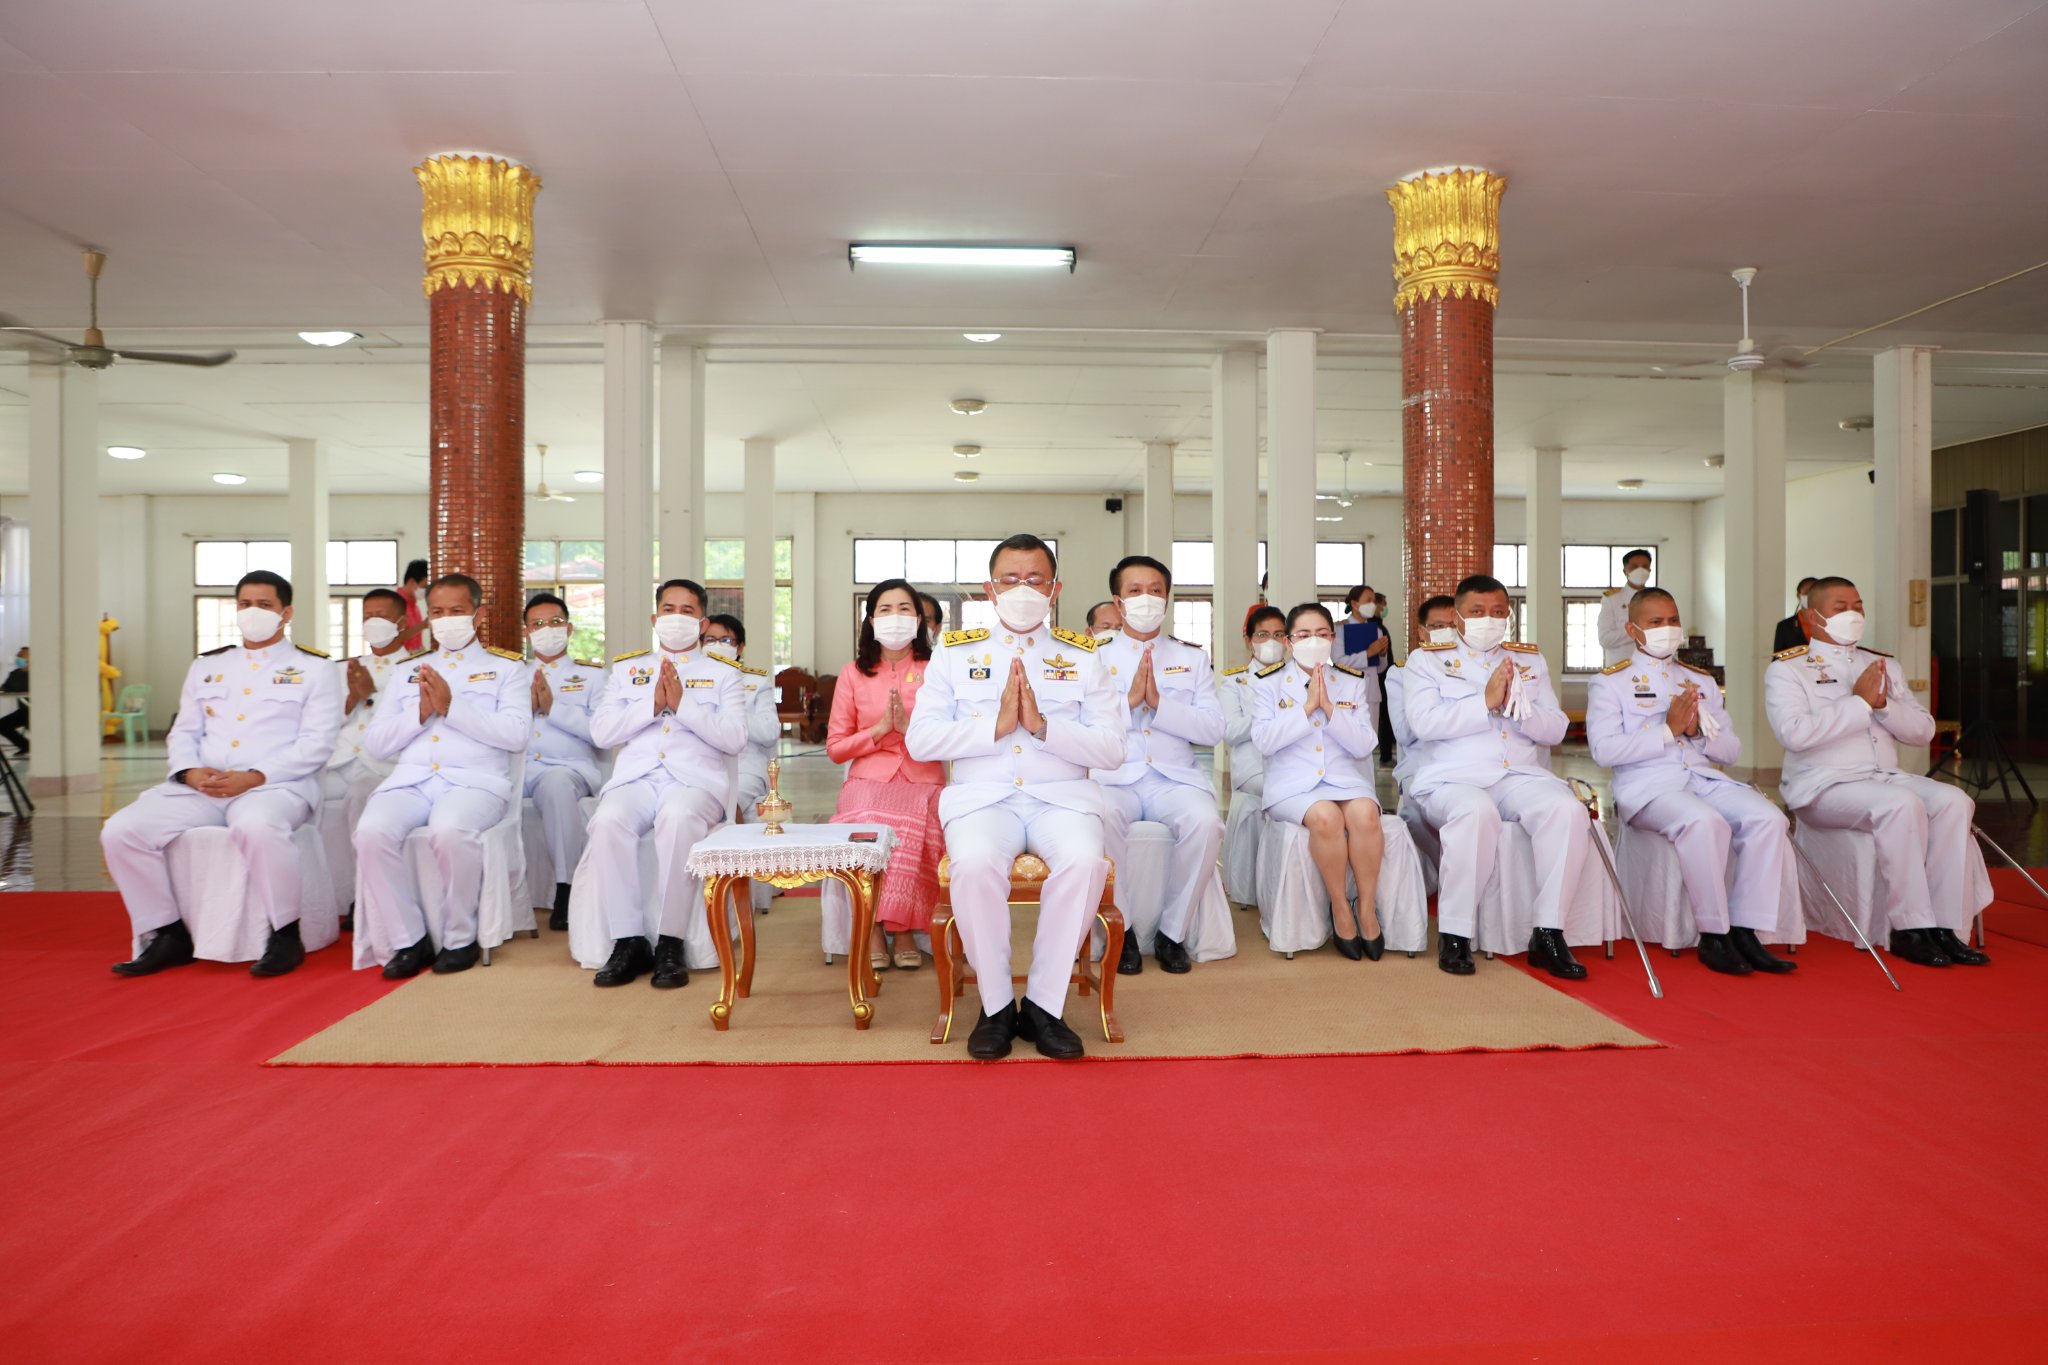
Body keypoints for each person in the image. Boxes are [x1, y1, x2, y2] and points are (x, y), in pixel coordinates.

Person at [905, 534, 1125, 1060]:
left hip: (1063, 798)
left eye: (1035, 580)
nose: (1022, 589)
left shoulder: (1084, 654)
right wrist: (996, 726)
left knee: (1084, 862)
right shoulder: (956, 655)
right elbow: (921, 739)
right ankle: (997, 1005)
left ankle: (1046, 1007)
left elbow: (1114, 748)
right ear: (989, 588)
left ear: (1055, 589)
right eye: (1010, 579)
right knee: (975, 864)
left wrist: (1046, 727)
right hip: (983, 800)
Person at [104, 571, 344, 978]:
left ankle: (285, 934)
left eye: (264, 605)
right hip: (204, 786)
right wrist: (189, 772)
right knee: (120, 831)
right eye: (245, 604)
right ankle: (167, 933)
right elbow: (185, 731)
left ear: (286, 613)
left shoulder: (314, 668)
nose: (253, 613)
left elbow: (317, 744)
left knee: (257, 826)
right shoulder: (208, 665)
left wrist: (254, 777)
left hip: (276, 786)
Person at [1766, 576, 1991, 967]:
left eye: (1858, 605)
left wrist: (1884, 705)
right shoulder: (1790, 670)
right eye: (1840, 608)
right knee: (1901, 805)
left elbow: (1922, 731)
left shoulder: (1883, 664)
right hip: (1823, 786)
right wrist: (1859, 704)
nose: (1853, 614)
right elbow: (1795, 734)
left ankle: (1946, 927)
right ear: (1811, 618)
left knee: (1955, 801)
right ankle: (1909, 927)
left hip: (1884, 779)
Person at [1587, 588, 1796, 975]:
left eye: (1672, 620)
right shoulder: (1611, 683)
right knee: (1704, 823)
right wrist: (1668, 731)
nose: (1667, 629)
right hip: (1649, 788)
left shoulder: (1698, 680)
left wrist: (1699, 732)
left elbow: (1730, 750)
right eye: (1655, 622)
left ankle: (1746, 930)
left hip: (1703, 779)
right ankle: (1714, 935)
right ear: (1633, 630)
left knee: (1770, 819)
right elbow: (1605, 751)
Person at [1402, 573, 1592, 980]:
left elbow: (1556, 729)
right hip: (1454, 778)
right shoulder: (1428, 659)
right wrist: (1484, 702)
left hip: (1518, 775)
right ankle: (1455, 934)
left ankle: (1548, 931)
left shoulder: (1528, 659)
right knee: (1475, 813)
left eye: (1498, 612)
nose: (1489, 619)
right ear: (1456, 616)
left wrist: (1520, 709)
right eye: (1477, 611)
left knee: (1568, 811)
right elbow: (1423, 724)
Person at [354, 574, 531, 979]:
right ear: (427, 617)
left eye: (457, 611)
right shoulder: (408, 670)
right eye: (437, 612)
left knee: (449, 829)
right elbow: (378, 744)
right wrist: (420, 713)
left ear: (478, 614)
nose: (446, 619)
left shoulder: (505, 669)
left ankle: (459, 937)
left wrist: (452, 707)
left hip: (475, 783)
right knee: (370, 832)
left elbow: (516, 734)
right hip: (412, 782)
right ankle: (408, 939)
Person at [576, 579, 748, 989]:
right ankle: (628, 939)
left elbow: (735, 738)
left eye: (687, 611)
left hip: (695, 782)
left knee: (678, 816)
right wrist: (652, 705)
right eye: (668, 609)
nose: (677, 617)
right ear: (655, 619)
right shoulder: (627, 670)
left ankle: (671, 942)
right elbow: (602, 733)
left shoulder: (723, 674)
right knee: (607, 820)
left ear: (702, 622)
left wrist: (683, 704)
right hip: (637, 778)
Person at [1092, 555, 1227, 975]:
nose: (1145, 599)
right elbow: (1077, 725)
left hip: (1173, 777)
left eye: (1155, 590)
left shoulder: (1192, 657)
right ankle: (1124, 930)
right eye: (1134, 591)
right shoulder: (1093, 655)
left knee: (1207, 824)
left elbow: (1211, 728)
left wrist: (1159, 705)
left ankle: (1173, 931)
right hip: (1114, 775)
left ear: (1167, 599)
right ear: (1118, 602)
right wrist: (1129, 702)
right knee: (1099, 818)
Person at [825, 578, 945, 969]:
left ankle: (905, 927)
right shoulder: (853, 673)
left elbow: (953, 738)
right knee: (866, 822)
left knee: (915, 826)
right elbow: (836, 748)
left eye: (905, 609)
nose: (896, 618)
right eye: (885, 610)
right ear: (871, 620)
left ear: (919, 618)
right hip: (867, 779)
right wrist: (878, 732)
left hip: (922, 777)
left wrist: (910, 730)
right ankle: (875, 926)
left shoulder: (938, 669)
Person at [1253, 604, 1384, 959]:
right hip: (1292, 785)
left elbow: (1363, 745)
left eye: (1322, 634)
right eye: (1304, 635)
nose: (1314, 641)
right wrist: (1306, 708)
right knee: (1326, 817)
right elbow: (1264, 741)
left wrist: (1330, 709)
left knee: (1366, 816)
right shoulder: (1267, 682)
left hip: (1343, 778)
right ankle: (1341, 908)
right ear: (1290, 642)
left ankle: (1367, 909)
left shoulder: (1351, 680)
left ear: (1332, 637)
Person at [322, 589, 412, 926]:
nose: (372, 623)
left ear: (401, 623)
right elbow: (323, 722)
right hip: (339, 761)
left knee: (362, 793)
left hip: (384, 764)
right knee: (295, 793)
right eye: (367, 617)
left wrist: (369, 696)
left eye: (381, 616)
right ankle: (310, 896)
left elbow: (412, 722)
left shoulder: (416, 668)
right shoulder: (342, 668)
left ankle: (365, 896)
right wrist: (350, 700)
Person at [522, 592, 606, 931]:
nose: (547, 630)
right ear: (526, 632)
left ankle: (566, 888)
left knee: (556, 785)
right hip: (519, 767)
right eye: (537, 624)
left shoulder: (594, 676)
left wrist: (554, 709)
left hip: (570, 768)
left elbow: (602, 735)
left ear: (569, 628)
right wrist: (525, 710)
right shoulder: (513, 675)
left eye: (555, 622)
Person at [702, 613, 780, 912]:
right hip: (703, 763)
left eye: (726, 640)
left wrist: (731, 707)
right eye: (710, 640)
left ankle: (736, 886)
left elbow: (769, 731)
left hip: (745, 765)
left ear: (740, 646)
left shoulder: (755, 682)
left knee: (731, 793)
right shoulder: (690, 680)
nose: (717, 645)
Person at [1386, 595, 1458, 794]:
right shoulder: (1401, 673)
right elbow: (1404, 735)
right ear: (1422, 631)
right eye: (1438, 626)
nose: (1448, 631)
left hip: (1465, 763)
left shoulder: (1474, 669)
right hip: (1419, 765)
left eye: (1453, 625)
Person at [1597, 549, 1654, 668]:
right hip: (1620, 669)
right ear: (1625, 571)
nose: (1640, 571)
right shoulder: (1612, 599)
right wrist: (1637, 632)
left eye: (1644, 566)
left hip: (1650, 668)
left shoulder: (1656, 598)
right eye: (1634, 567)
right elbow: (1605, 639)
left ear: (1650, 570)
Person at [1773, 577, 1817, 655]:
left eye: (1815, 593)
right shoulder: (1784, 626)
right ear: (1798, 595)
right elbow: (1778, 657)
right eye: (1807, 592)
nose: (1811, 596)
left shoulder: (1830, 623)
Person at [395, 558, 431, 650]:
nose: (427, 591)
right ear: (411, 582)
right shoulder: (394, 604)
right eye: (425, 586)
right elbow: (393, 639)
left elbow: (416, 640)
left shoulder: (415, 607)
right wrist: (423, 625)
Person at [0, 644, 28, 754]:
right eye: (18, 655)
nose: (18, 658)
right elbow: (4, 688)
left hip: (39, 711)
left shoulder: (39, 674)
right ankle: (26, 745)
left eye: (21, 655)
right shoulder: (15, 674)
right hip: (23, 711)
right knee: (2, 725)